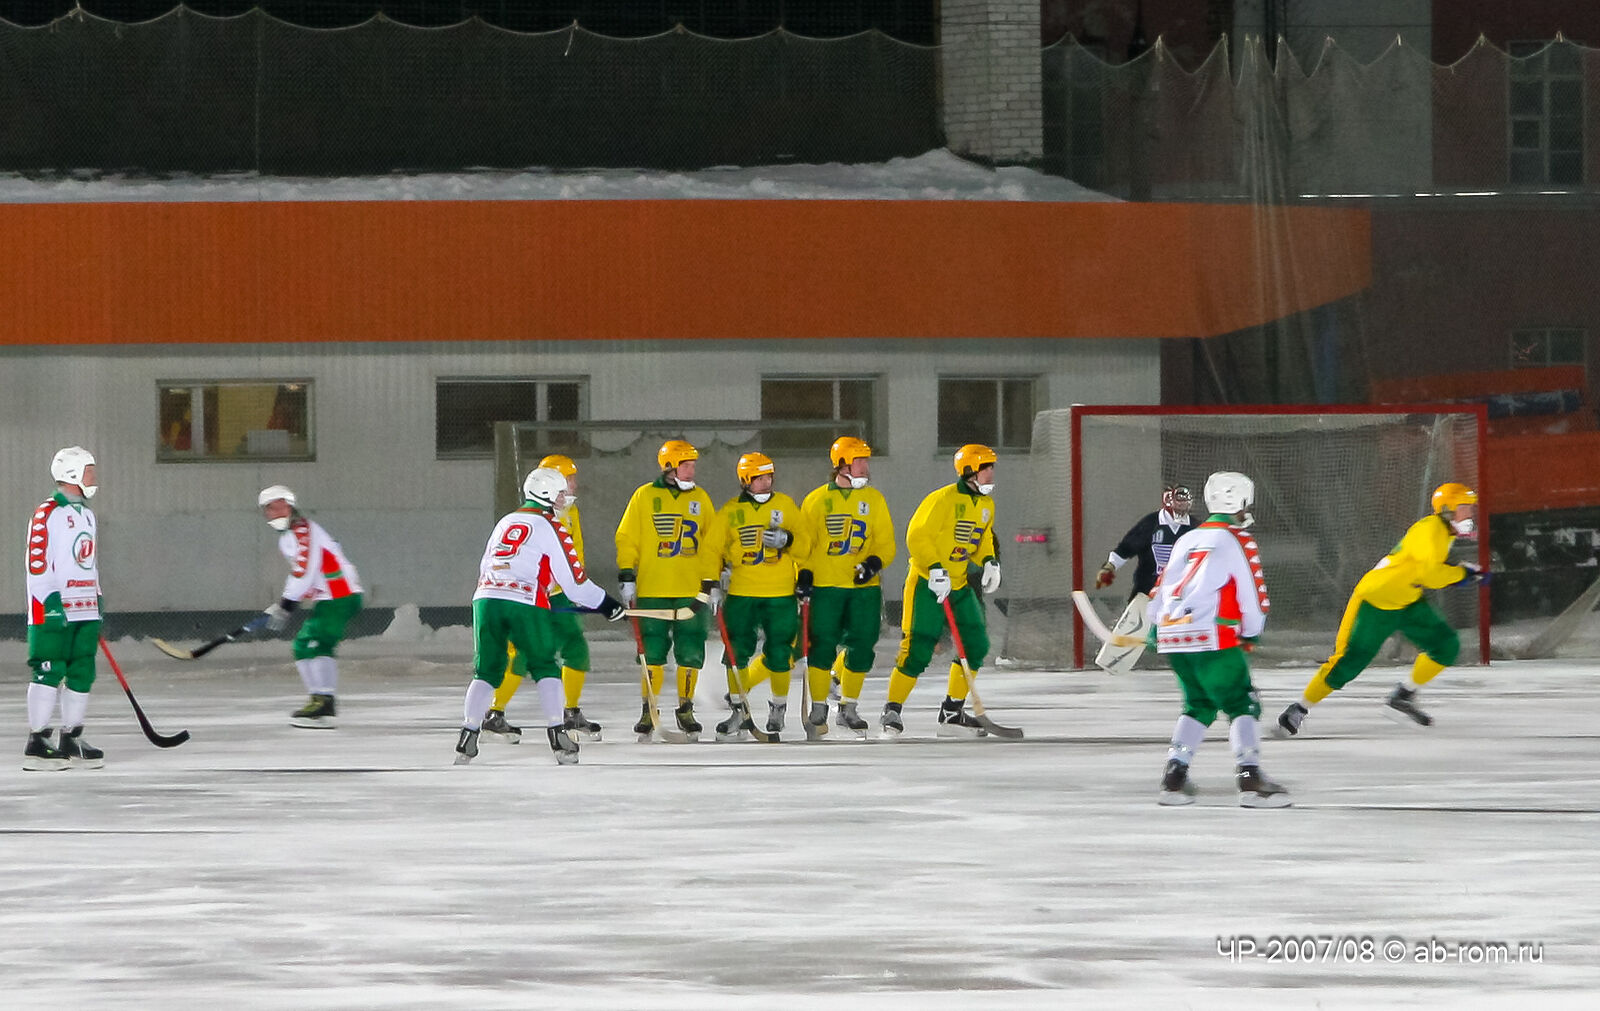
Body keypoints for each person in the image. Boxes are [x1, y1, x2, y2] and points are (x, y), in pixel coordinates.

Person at [1276, 482, 1484, 738]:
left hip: (1406, 599)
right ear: (1447, 509)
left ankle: (1403, 696)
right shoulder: (1430, 528)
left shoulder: (1443, 532)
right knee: (1347, 663)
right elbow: (1429, 573)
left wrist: (1462, 572)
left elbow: (1425, 571)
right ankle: (1298, 709)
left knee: (1446, 646)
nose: (1470, 513)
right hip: (1376, 600)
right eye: (1464, 507)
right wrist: (1462, 573)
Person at [456, 467, 626, 765]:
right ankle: (558, 735)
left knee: (486, 671)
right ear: (545, 494)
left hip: (485, 599)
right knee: (545, 665)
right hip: (524, 601)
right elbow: (574, 583)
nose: (564, 498)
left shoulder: (506, 520)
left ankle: (468, 736)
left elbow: (487, 564)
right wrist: (607, 605)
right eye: (560, 493)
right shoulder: (550, 525)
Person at [1149, 471, 1288, 808]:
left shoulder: (1186, 539)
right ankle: (1250, 779)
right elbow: (1252, 593)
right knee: (1242, 702)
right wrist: (1251, 631)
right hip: (1212, 635)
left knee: (1198, 704)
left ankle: (1174, 778)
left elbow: (1160, 590)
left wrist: (1155, 629)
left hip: (1173, 635)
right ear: (1239, 502)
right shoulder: (1236, 539)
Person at [481, 454, 604, 744]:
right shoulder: (541, 516)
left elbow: (575, 553)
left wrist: (576, 587)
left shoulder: (569, 512)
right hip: (534, 596)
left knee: (575, 647)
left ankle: (570, 712)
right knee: (522, 654)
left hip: (559, 594)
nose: (574, 484)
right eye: (569, 479)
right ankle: (494, 714)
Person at [882, 444, 1001, 738]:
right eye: (985, 468)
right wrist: (935, 567)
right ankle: (892, 709)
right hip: (926, 583)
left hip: (958, 584)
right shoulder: (943, 499)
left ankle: (952, 712)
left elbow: (981, 538)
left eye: (991, 467)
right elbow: (917, 535)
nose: (990, 473)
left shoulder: (986, 505)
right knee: (918, 648)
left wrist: (989, 561)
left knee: (975, 644)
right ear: (970, 471)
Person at [615, 439, 723, 739]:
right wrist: (627, 573)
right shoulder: (644, 496)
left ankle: (685, 708)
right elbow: (627, 537)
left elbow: (712, 544)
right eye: (686, 465)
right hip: (653, 588)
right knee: (651, 650)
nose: (692, 471)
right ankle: (648, 709)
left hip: (691, 590)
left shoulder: (700, 498)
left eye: (693, 465)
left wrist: (712, 581)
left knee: (691, 649)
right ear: (669, 467)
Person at [795, 436, 897, 736]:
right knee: (821, 646)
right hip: (826, 586)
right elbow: (803, 545)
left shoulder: (874, 499)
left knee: (863, 645)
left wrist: (874, 563)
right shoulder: (816, 500)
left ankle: (848, 707)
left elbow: (885, 542)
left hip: (863, 589)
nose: (865, 466)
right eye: (859, 461)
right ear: (842, 465)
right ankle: (818, 707)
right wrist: (803, 574)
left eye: (866, 460)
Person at [713, 452, 813, 740]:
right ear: (746, 480)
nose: (766, 482)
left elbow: (805, 544)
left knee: (780, 652)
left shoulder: (785, 506)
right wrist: (712, 582)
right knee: (735, 652)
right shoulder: (731, 511)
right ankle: (738, 710)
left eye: (769, 476)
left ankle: (778, 707)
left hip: (780, 593)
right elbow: (712, 549)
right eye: (759, 477)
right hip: (742, 593)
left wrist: (789, 540)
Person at [23, 447, 105, 771]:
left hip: (84, 608)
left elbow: (88, 562)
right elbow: (37, 561)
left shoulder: (87, 515)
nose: (94, 477)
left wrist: (97, 596)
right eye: (89, 471)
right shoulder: (48, 513)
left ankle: (71, 737)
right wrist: (49, 600)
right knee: (49, 668)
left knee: (82, 670)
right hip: (52, 609)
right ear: (71, 473)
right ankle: (37, 741)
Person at [258, 485, 365, 729]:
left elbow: (304, 571)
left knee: (313, 643)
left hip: (340, 595)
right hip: (332, 596)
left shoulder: (302, 531)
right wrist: (287, 602)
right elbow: (310, 575)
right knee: (304, 645)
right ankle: (320, 699)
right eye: (270, 508)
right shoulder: (290, 537)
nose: (275, 512)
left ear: (290, 506)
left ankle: (323, 702)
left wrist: (286, 604)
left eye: (280, 506)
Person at [1091, 484, 1195, 673]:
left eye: (1184, 501)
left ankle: (1182, 653)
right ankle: (1123, 648)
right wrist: (1110, 566)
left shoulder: (1195, 527)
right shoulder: (1151, 524)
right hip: (1148, 589)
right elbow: (1126, 547)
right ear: (1168, 500)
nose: (1181, 506)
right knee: (1138, 623)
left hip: (1180, 591)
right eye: (1178, 501)